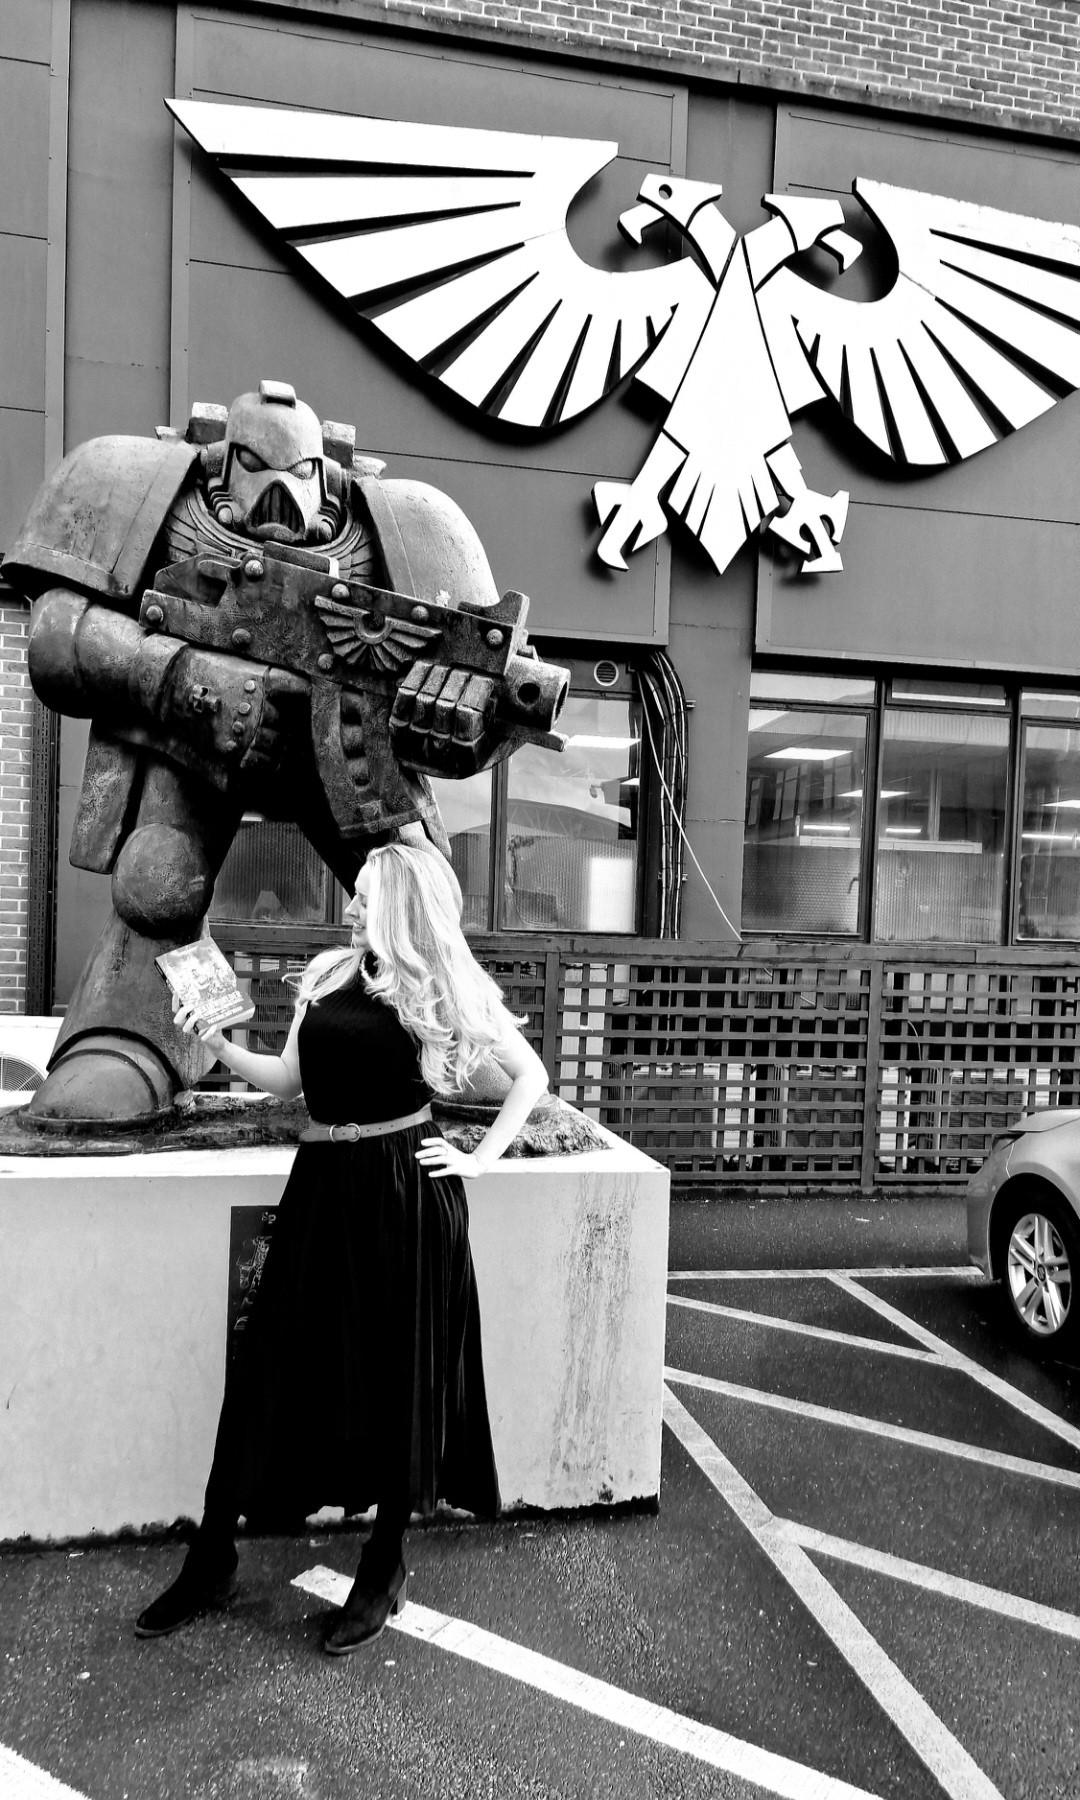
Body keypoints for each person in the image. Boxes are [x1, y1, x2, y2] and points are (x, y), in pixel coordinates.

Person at [134, 840, 549, 1654]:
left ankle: (385, 1562)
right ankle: (212, 1555)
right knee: (266, 1372)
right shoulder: (327, 975)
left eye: (362, 893)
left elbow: (529, 1077)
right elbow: (290, 1082)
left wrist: (479, 1156)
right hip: (323, 1184)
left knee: (399, 1384)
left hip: (405, 1191)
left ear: (397, 902)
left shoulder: (440, 985)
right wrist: (215, 1046)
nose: (350, 903)